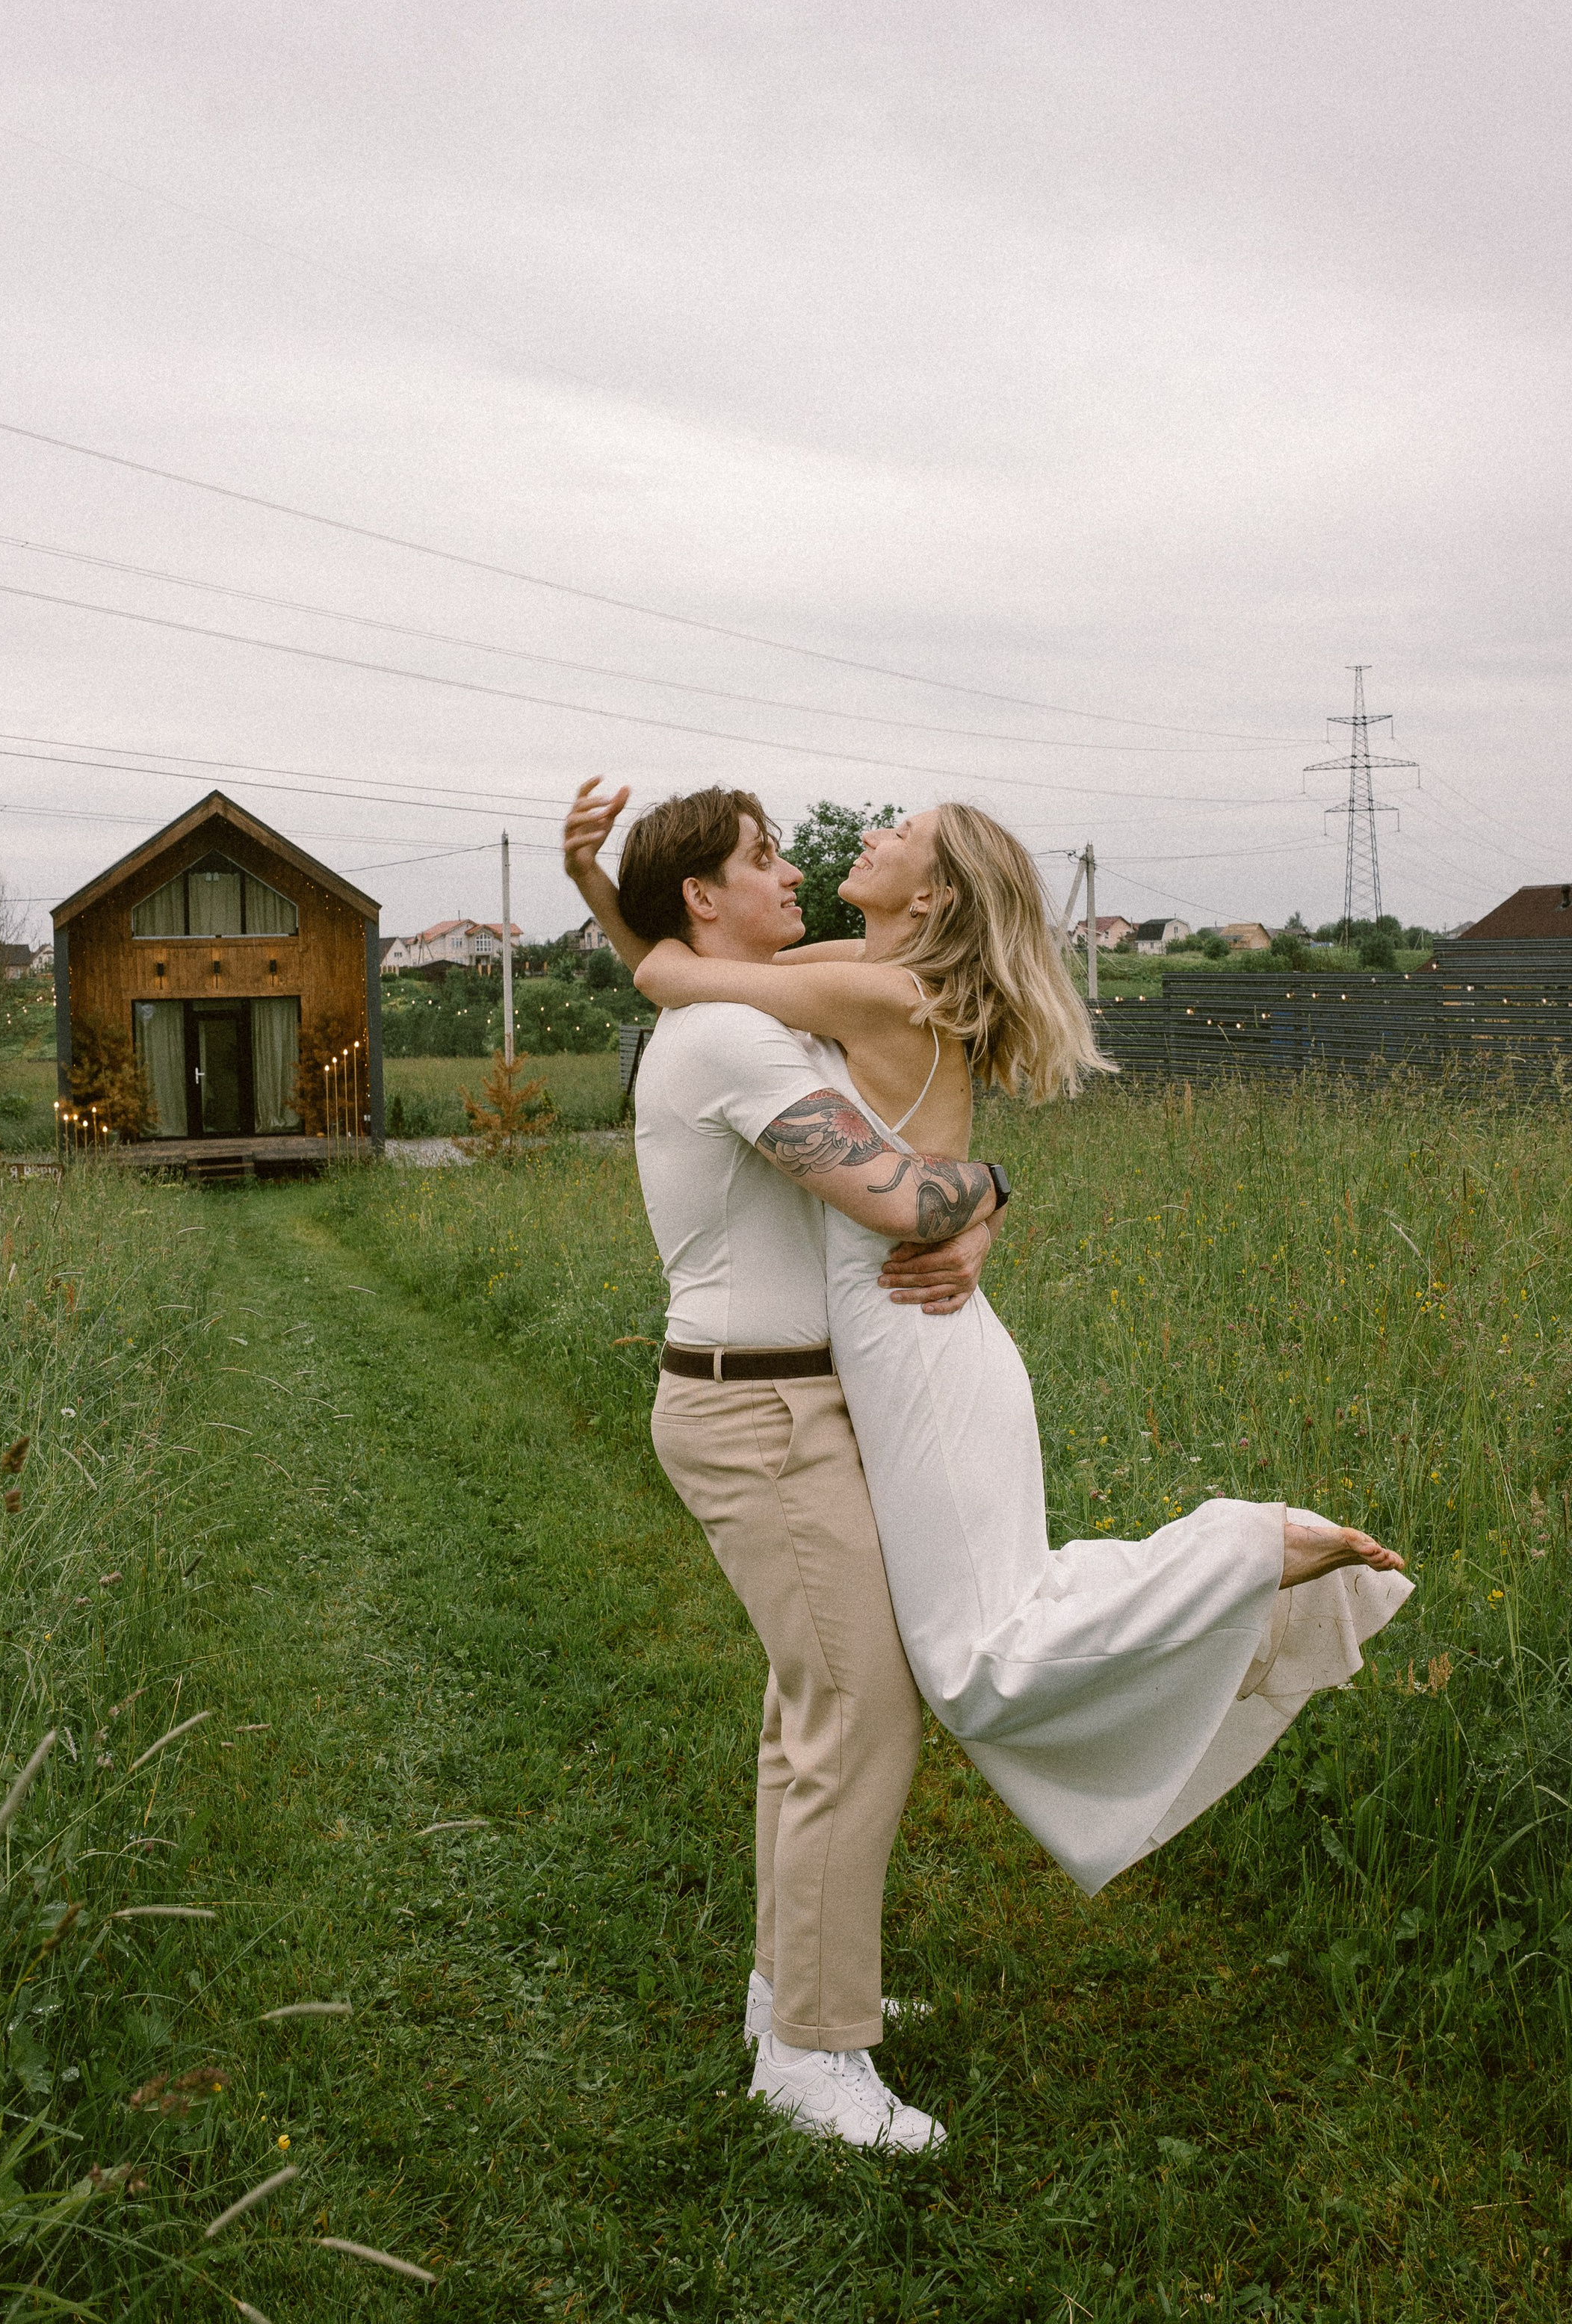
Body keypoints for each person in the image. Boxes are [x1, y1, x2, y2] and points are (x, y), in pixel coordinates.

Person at [567, 779, 1411, 1909]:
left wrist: (599, 887)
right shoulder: (860, 976)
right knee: (992, 1614)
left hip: (911, 1334)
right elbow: (689, 964)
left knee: (974, 1660)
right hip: (910, 1328)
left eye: (899, 835)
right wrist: (989, 1197)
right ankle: (1237, 1562)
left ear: (935, 895)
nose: (864, 837)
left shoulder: (876, 995)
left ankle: (1244, 1553)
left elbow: (673, 971)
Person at [563, 781, 1006, 2153]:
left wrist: (974, 1198)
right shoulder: (732, 1043)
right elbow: (904, 1195)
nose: (793, 871)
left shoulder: (746, 1016)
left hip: (790, 1405)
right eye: (765, 860)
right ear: (707, 898)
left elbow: (666, 966)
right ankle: (814, 2059)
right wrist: (986, 1196)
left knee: (811, 1712)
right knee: (859, 1717)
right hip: (759, 1415)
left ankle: (794, 1992)